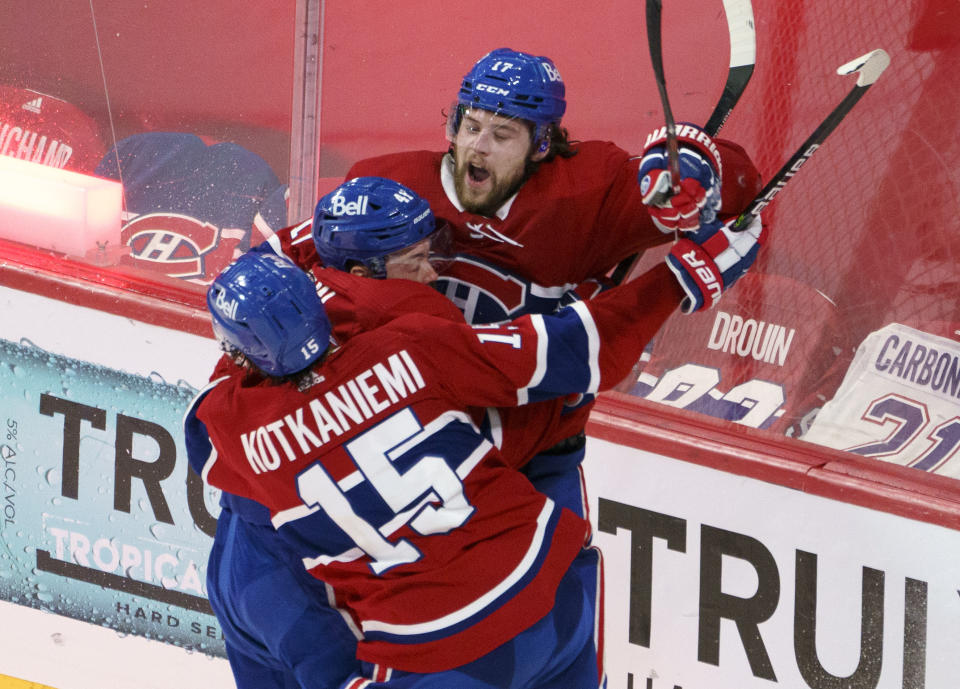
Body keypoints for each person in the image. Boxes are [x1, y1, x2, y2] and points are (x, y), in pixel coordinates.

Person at [184, 196, 764, 687]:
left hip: (442, 653)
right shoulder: (410, 345)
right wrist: (677, 279)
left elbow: (219, 420)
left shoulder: (228, 429)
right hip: (551, 590)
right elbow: (573, 346)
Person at [343, 47, 762, 524]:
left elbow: (741, 188)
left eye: (502, 135)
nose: (478, 147)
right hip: (403, 446)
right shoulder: (385, 184)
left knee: (557, 587)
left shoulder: (586, 195)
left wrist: (696, 174)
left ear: (542, 144)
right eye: (471, 125)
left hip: (537, 455)